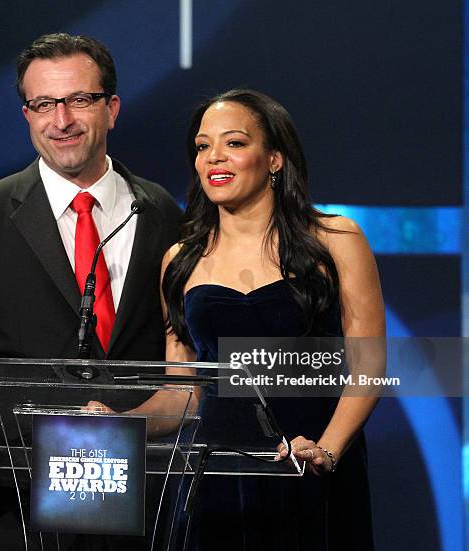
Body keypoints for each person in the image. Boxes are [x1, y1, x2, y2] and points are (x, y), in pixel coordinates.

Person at [0, 33, 182, 550]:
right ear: (27, 114)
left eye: (79, 100)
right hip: (13, 505)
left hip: (137, 505)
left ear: (112, 108)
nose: (62, 120)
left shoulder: (161, 211)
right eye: (43, 104)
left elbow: (178, 357)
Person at [161, 89, 385, 550]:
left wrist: (326, 450)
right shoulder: (179, 260)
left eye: (235, 143)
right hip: (220, 476)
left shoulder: (336, 239)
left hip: (314, 466)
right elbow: (179, 391)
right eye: (203, 147)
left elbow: (369, 367)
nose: (214, 158)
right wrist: (111, 420)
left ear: (275, 159)